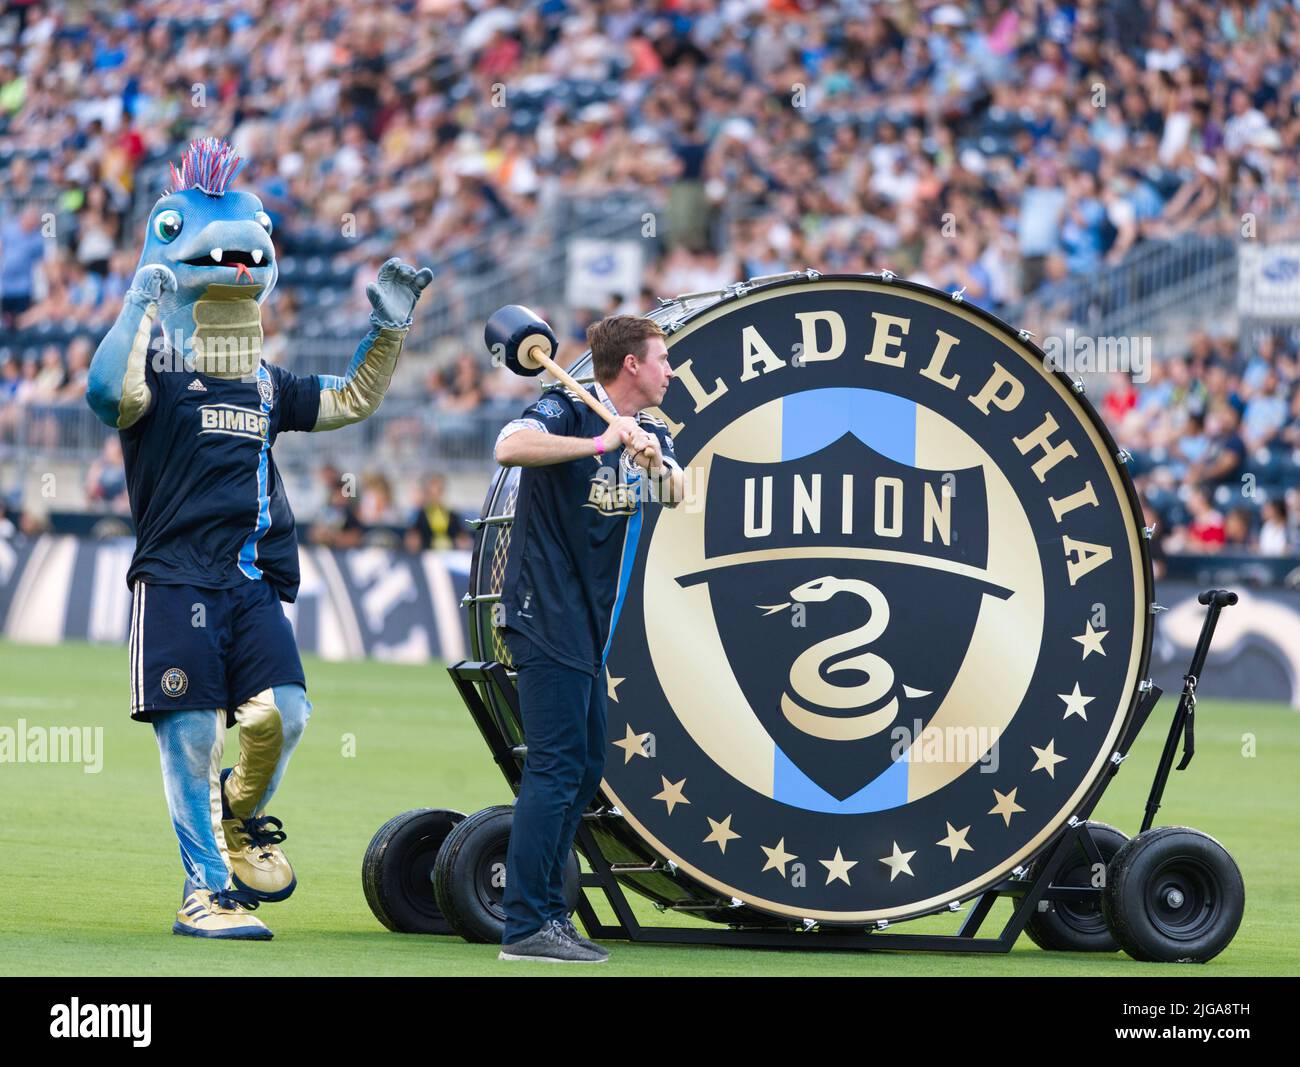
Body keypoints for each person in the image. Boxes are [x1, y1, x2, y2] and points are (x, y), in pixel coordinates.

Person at [85, 138, 432, 940]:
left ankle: (239, 822)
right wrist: (138, 301)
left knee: (287, 714)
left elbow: (347, 400)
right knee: (194, 740)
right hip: (176, 578)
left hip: (249, 581)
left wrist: (387, 331)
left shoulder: (266, 382)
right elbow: (106, 393)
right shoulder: (159, 374)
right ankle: (203, 892)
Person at [492, 314, 683, 963]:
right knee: (556, 765)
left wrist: (653, 460)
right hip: (543, 609)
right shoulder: (566, 409)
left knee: (586, 767)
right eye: (661, 359)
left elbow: (682, 491)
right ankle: (525, 925)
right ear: (631, 365)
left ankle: (548, 911)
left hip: (586, 624)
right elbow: (509, 446)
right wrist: (601, 442)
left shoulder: (645, 429)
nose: (669, 370)